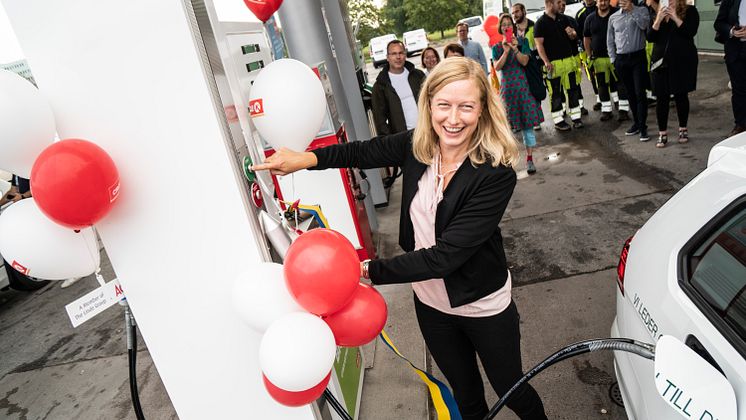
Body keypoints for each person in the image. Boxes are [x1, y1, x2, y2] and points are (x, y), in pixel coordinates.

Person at [254, 57, 548, 420]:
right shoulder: (419, 145)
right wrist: (306, 159)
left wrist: (364, 270)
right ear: (429, 105)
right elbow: (360, 151)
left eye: (466, 107)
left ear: (483, 110)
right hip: (431, 305)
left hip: (481, 305)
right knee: (467, 396)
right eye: (444, 105)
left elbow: (445, 257)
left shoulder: (494, 173)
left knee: (512, 390)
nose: (453, 119)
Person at [493, 14, 545, 174]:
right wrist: (506, 51)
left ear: (513, 28)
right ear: (500, 28)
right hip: (508, 92)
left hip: (524, 90)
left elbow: (525, 61)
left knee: (528, 127)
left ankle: (529, 159)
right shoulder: (496, 47)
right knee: (506, 129)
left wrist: (515, 49)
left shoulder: (523, 42)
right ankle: (507, 161)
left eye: (509, 24)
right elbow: (498, 67)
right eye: (504, 25)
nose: (506, 27)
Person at [372, 39, 426, 187]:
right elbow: (380, 118)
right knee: (415, 180)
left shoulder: (417, 75)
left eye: (401, 53)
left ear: (405, 54)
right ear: (387, 57)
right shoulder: (381, 85)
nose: (398, 57)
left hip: (426, 132)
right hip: (404, 139)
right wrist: (389, 144)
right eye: (394, 54)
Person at [647, 0, 699, 148]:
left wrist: (675, 17)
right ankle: (662, 133)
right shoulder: (656, 14)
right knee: (661, 97)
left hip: (682, 61)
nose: (669, 1)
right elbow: (650, 37)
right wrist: (658, 20)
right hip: (661, 62)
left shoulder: (690, 11)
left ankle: (683, 129)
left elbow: (690, 32)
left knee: (681, 95)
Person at [535, 0, 585, 131]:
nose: (561, 5)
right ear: (550, 3)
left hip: (569, 62)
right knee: (556, 94)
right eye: (558, 2)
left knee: (573, 90)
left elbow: (575, 37)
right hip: (553, 65)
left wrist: (573, 34)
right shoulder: (540, 23)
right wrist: (546, 62)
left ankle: (576, 118)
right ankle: (559, 121)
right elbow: (539, 45)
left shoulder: (565, 19)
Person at [608, 0, 651, 141]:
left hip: (638, 57)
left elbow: (644, 25)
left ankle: (643, 127)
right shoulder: (613, 17)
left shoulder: (642, 11)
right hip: (621, 60)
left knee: (640, 92)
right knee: (630, 93)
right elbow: (610, 40)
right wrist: (613, 59)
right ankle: (637, 123)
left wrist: (633, 10)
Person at [583, 0, 631, 121]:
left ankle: (623, 110)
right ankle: (606, 110)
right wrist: (589, 56)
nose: (603, 3)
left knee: (621, 83)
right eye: (600, 0)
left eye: (605, 0)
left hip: (617, 56)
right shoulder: (590, 18)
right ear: (596, 2)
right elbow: (587, 38)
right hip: (598, 59)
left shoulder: (618, 14)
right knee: (602, 85)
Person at [714, 0, 746, 137]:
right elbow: (719, 23)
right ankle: (741, 124)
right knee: (739, 90)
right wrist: (732, 31)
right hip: (736, 52)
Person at [513, 3, 543, 131]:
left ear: (524, 11)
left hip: (533, 63)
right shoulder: (512, 30)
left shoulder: (534, 25)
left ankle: (536, 118)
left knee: (535, 90)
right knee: (522, 91)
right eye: (513, 13)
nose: (515, 15)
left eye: (517, 12)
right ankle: (525, 118)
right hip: (518, 64)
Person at [576, 0, 601, 112]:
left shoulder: (601, 8)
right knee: (592, 74)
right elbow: (579, 35)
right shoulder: (580, 14)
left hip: (602, 48)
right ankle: (599, 99)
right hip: (586, 50)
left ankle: (617, 98)